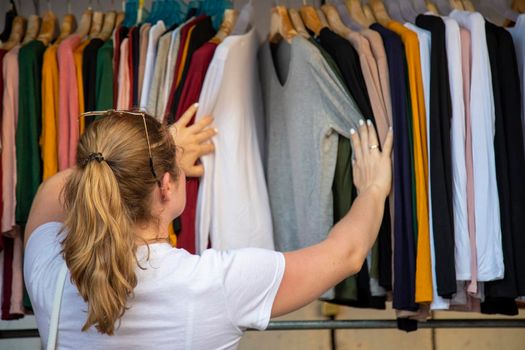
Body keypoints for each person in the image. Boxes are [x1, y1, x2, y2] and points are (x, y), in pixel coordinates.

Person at [24, 104, 393, 349]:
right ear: (166, 186)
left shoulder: (49, 273)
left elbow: (50, 191)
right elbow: (346, 254)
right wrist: (374, 189)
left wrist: (145, 155)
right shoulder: (215, 284)